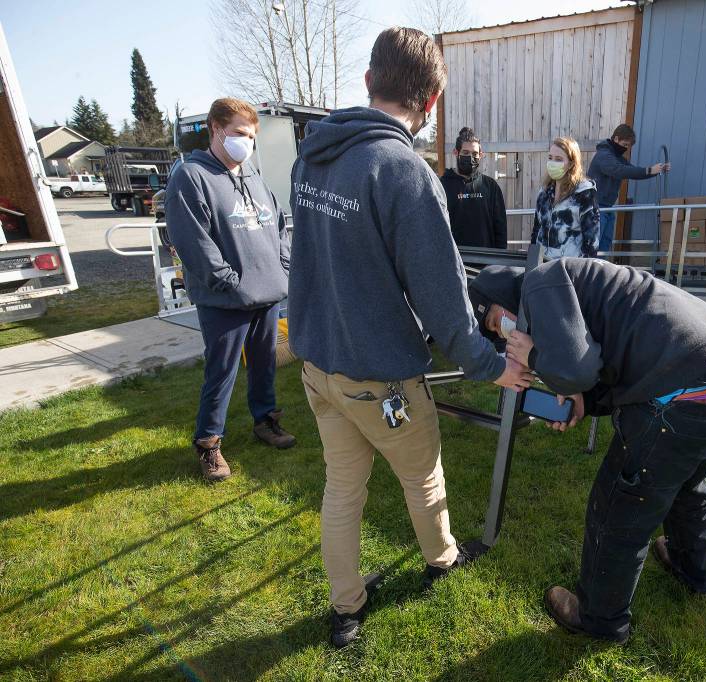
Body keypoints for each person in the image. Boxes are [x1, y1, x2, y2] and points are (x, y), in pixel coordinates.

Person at [287, 27, 533, 649]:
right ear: (430, 102)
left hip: (319, 365)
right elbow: (445, 304)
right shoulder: (402, 170)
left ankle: (346, 609)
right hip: (377, 375)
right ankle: (442, 559)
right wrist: (494, 366)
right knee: (422, 479)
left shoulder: (313, 152)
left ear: (369, 81)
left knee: (342, 489)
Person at [468, 259, 706, 643]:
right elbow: (606, 360)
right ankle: (693, 571)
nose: (505, 338)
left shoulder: (538, 284)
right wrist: (585, 401)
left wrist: (535, 355)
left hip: (685, 386)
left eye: (497, 324)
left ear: (500, 298)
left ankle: (600, 619)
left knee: (619, 507)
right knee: (686, 483)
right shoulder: (575, 281)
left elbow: (577, 369)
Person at [165, 97, 296, 483]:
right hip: (225, 300)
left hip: (267, 295)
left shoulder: (254, 177)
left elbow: (279, 228)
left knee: (263, 364)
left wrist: (282, 272)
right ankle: (209, 445)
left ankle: (265, 420)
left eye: (251, 135)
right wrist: (232, 284)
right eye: (239, 133)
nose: (246, 142)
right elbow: (194, 243)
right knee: (220, 372)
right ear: (215, 130)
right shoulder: (191, 177)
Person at [588, 124, 670, 253]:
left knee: (605, 245)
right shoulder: (604, 155)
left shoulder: (617, 158)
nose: (626, 149)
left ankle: (600, 271)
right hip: (597, 207)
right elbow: (620, 170)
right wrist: (650, 170)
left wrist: (657, 171)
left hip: (608, 207)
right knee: (594, 246)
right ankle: (590, 272)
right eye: (625, 144)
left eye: (628, 146)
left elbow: (632, 171)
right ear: (616, 139)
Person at [530, 137, 600, 259]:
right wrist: (531, 258)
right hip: (541, 265)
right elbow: (536, 229)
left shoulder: (584, 193)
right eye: (550, 158)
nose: (552, 163)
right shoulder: (544, 192)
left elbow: (591, 240)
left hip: (568, 268)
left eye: (559, 159)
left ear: (571, 163)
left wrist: (583, 273)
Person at [439, 126, 507, 249]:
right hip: (455, 260)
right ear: (456, 152)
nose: (470, 157)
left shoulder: (491, 186)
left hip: (486, 261)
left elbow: (500, 228)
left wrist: (499, 260)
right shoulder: (441, 186)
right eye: (465, 152)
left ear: (481, 155)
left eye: (475, 153)